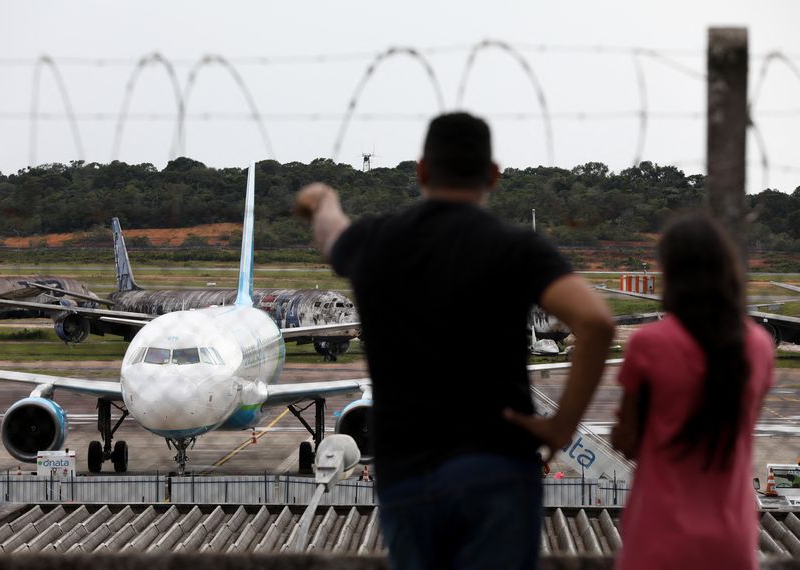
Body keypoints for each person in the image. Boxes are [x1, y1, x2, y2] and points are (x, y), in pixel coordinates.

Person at [294, 112, 615, 570]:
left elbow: (330, 233)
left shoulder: (377, 242)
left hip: (409, 472)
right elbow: (597, 324)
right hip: (498, 468)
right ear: (493, 175)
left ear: (422, 170)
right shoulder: (517, 249)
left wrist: (322, 199)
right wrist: (562, 426)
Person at [611, 214, 774, 570]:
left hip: (659, 534)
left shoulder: (649, 344)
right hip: (732, 537)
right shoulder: (760, 346)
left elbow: (624, 440)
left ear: (670, 274)